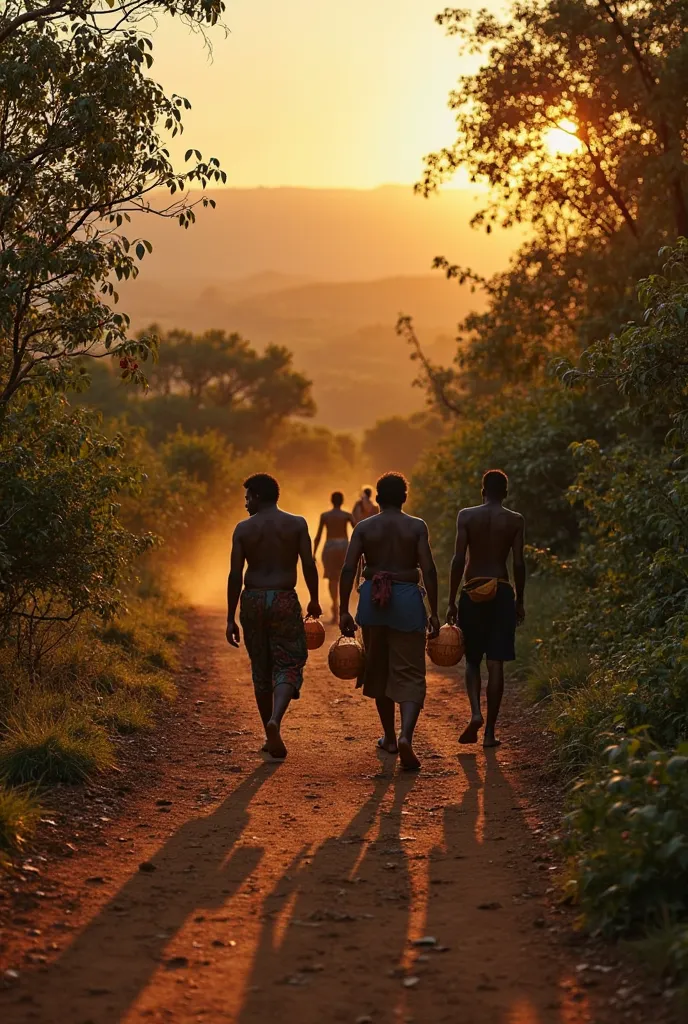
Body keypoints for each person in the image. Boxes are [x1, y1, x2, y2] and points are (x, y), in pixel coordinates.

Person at [339, 472, 440, 771]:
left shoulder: (364, 527)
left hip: (373, 602)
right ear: (405, 498)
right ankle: (406, 734)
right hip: (408, 601)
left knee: (378, 669)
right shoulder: (417, 526)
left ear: (378, 499)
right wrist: (434, 611)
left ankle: (389, 738)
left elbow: (348, 570)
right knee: (410, 673)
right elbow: (430, 569)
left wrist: (344, 610)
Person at [226, 473, 322, 759]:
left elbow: (235, 575)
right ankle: (275, 721)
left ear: (256, 495)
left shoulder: (243, 529)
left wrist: (231, 616)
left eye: (247, 498)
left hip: (253, 599)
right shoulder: (296, 524)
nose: (245, 504)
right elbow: (308, 563)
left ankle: (269, 733)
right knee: (289, 662)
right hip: (283, 598)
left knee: (261, 666)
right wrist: (315, 599)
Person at [446, 469, 525, 748]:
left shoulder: (466, 516)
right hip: (502, 591)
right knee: (496, 663)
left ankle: (475, 713)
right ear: (505, 493)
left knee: (472, 660)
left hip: (473, 591)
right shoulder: (514, 520)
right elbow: (518, 564)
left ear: (482, 492)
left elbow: (458, 559)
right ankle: (490, 733)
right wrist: (519, 600)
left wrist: (451, 599)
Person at [313, 491, 355, 624]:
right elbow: (358, 530)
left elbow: (318, 536)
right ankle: (342, 607)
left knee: (332, 578)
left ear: (331, 501)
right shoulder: (347, 515)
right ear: (342, 501)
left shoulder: (325, 516)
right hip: (344, 546)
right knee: (344, 576)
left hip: (330, 546)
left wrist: (314, 553)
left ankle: (335, 603)